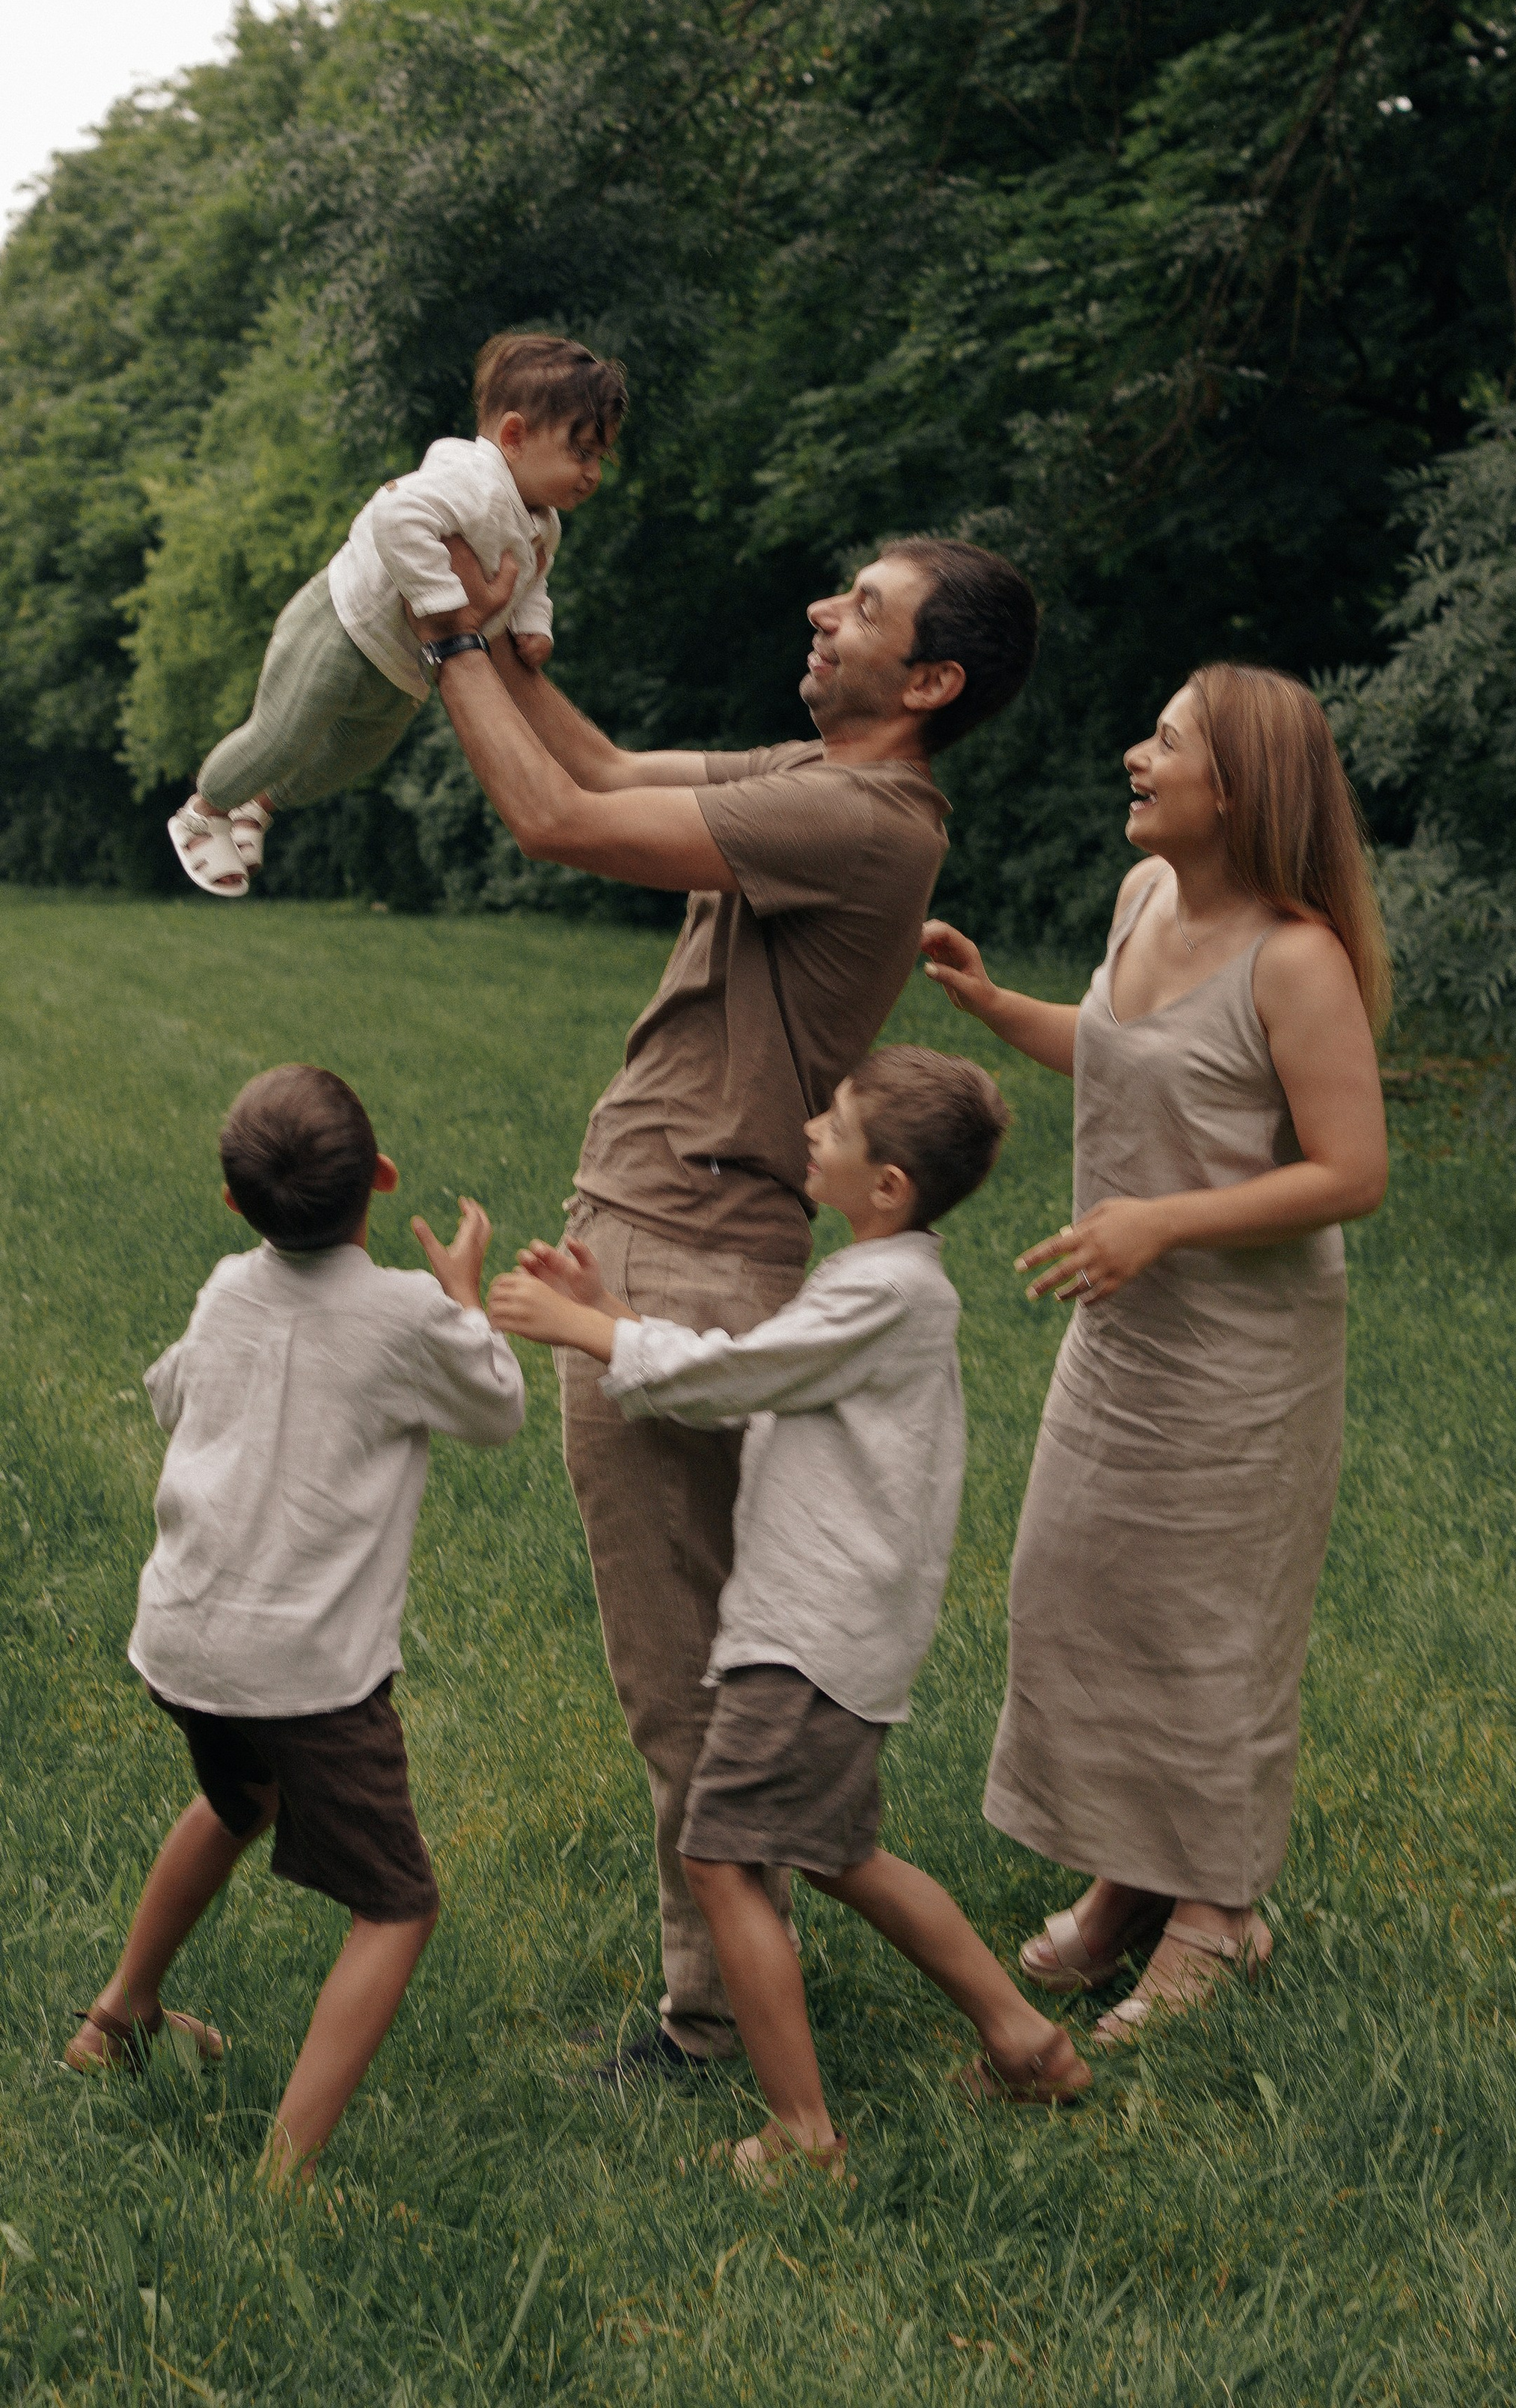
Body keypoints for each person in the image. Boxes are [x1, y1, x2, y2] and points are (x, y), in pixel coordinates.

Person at [409, 530, 1039, 2073]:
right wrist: (508, 643)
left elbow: (555, 820)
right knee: (696, 1661)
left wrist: (439, 639)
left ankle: (709, 2027)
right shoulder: (818, 775)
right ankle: (738, 1981)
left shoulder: (859, 816)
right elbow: (604, 766)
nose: (823, 613)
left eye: (865, 609)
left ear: (931, 682)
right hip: (675, 1230)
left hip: (686, 1246)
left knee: (679, 1673)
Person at [490, 1046, 1090, 2181]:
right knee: (839, 1856)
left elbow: (741, 1377)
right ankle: (1027, 2043)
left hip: (810, 1634)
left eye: (836, 1124)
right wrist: (611, 1306)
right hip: (831, 1627)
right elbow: (764, 1375)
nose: (810, 1129)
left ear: (888, 1185)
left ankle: (801, 2132)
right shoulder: (886, 1279)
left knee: (719, 1857)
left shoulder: (883, 1292)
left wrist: (583, 1331)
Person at [920, 664, 1390, 2044]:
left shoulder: (1294, 959)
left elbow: (1353, 1172)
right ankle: (1131, 1871)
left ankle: (1219, 1912)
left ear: (1237, 789)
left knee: (1207, 1628)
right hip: (1122, 1335)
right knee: (1082, 1596)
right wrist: (999, 1008)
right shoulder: (1143, 900)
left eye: (1168, 741)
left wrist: (1165, 1222)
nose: (1137, 753)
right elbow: (1127, 1051)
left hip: (1242, 1360)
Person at [63, 1066, 525, 2187]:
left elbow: (170, 1393)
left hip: (183, 1641)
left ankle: (118, 2019)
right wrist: (463, 1297)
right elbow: (499, 1407)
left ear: (235, 1205)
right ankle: (283, 2177)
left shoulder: (228, 1286)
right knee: (397, 1906)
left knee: (243, 1798)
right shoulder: (407, 1314)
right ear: (382, 1178)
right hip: (306, 1674)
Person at [165, 333, 626, 896]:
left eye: (600, 458)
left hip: (402, 669)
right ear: (514, 436)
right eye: (582, 453)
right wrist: (443, 605)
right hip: (344, 625)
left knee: (349, 758)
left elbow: (533, 582)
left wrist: (534, 627)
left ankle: (255, 806)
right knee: (282, 734)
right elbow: (396, 513)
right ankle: (202, 812)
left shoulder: (544, 523)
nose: (592, 473)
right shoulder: (470, 481)